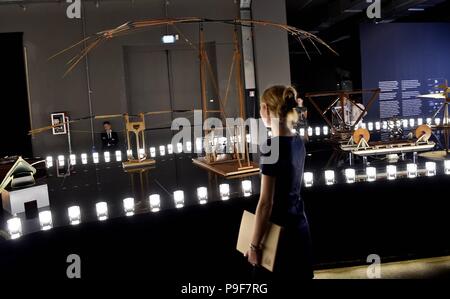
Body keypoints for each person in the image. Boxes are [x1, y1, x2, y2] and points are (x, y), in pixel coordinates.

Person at [245, 85, 313, 280]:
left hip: (278, 237)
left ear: (266, 109)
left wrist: (253, 246)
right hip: (300, 228)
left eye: (260, 108)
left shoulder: (271, 147)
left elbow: (266, 203)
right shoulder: (298, 141)